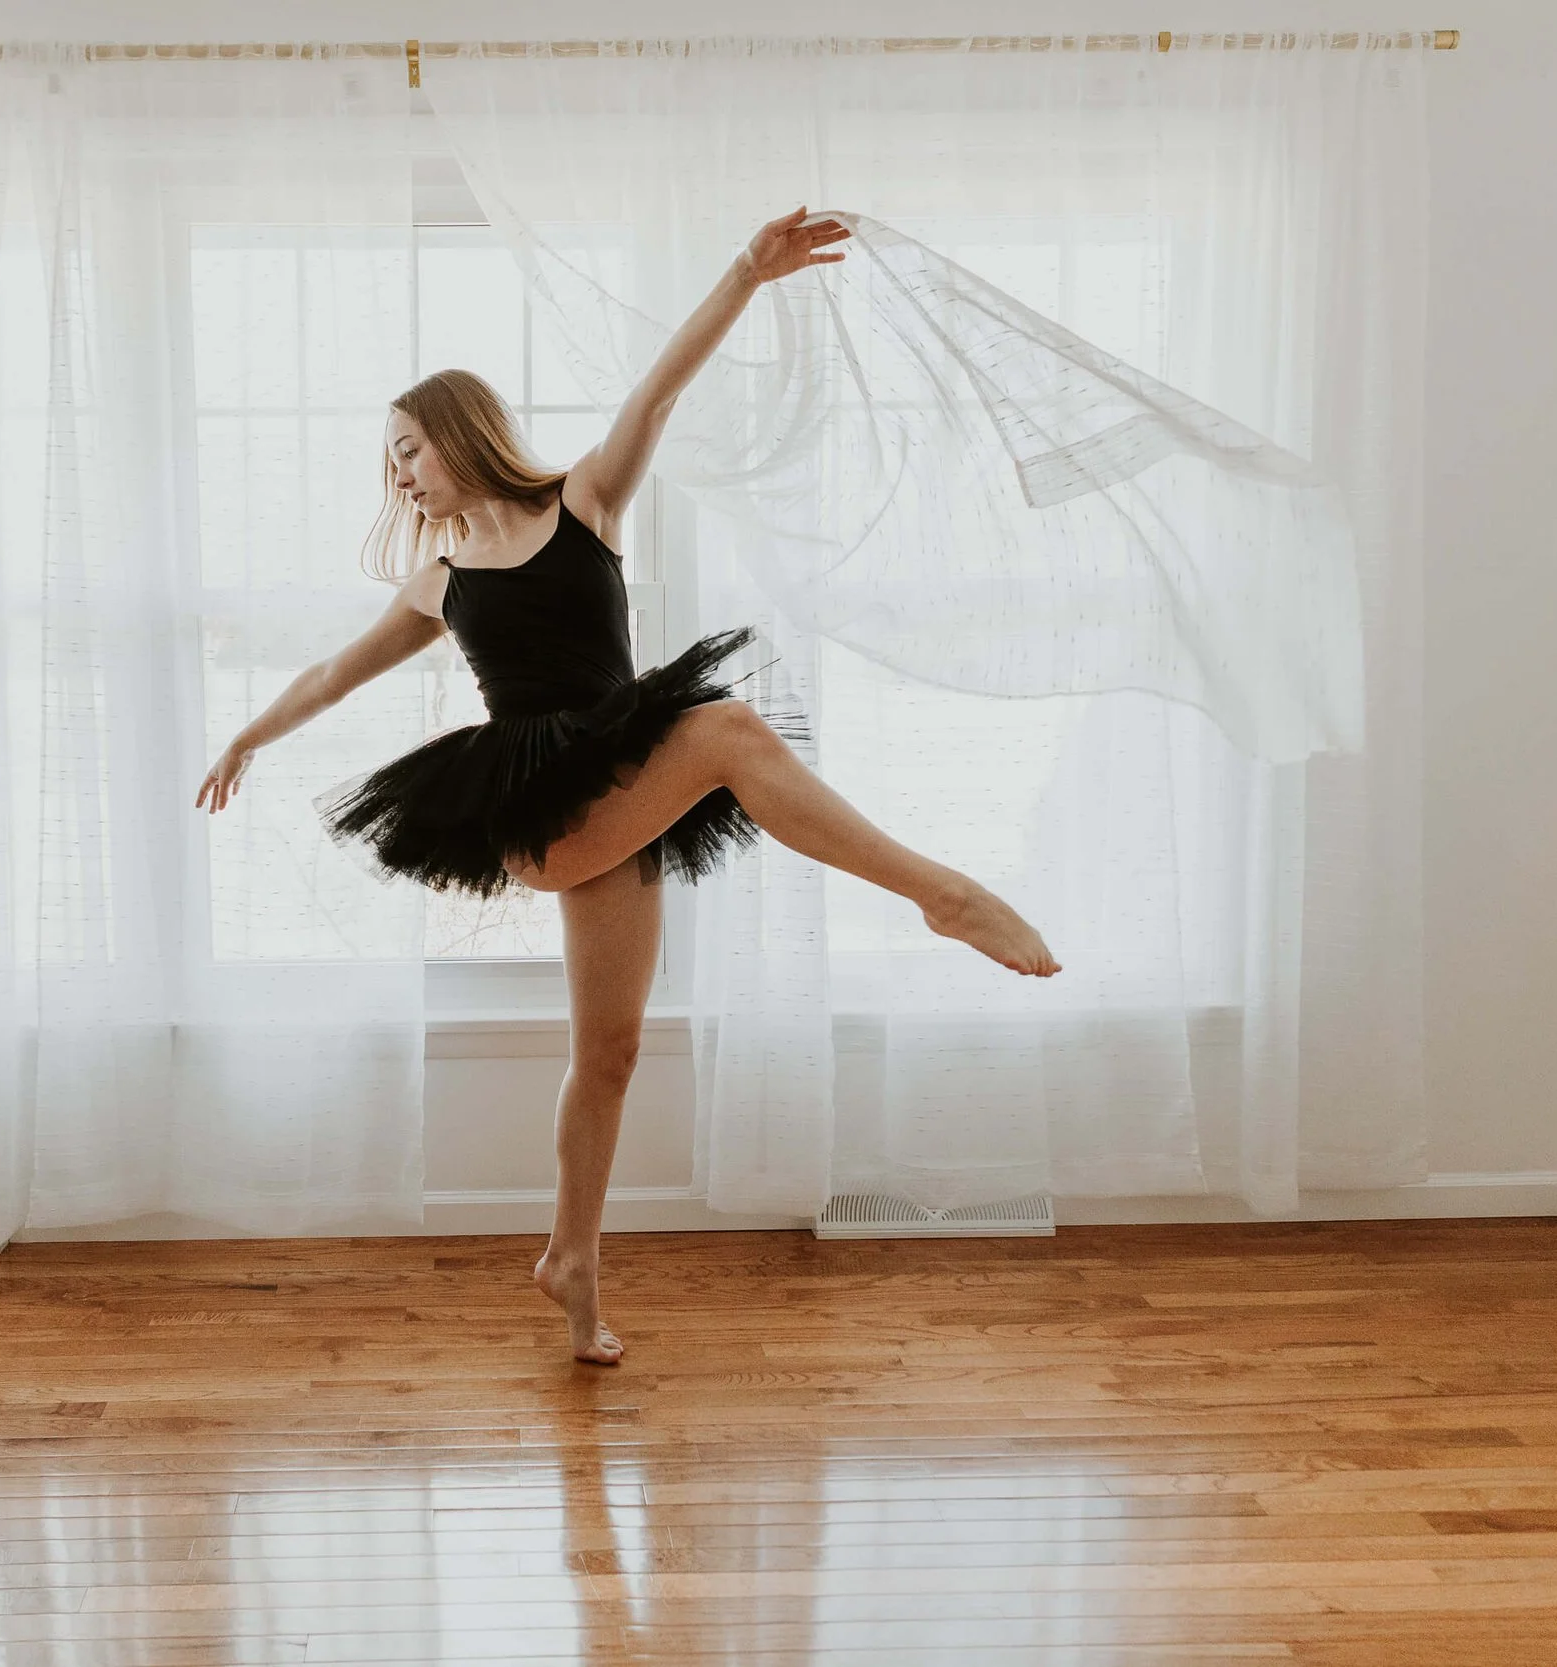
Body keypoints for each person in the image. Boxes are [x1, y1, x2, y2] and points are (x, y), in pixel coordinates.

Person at [196, 207, 1060, 1365]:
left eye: (406, 445)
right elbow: (329, 674)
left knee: (608, 1053)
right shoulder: (437, 577)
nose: (395, 470)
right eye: (388, 457)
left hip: (621, 787)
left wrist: (744, 273)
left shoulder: (584, 502)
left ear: (459, 433)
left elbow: (658, 390)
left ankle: (573, 1262)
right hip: (540, 808)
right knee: (730, 728)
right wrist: (248, 735)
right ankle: (938, 891)